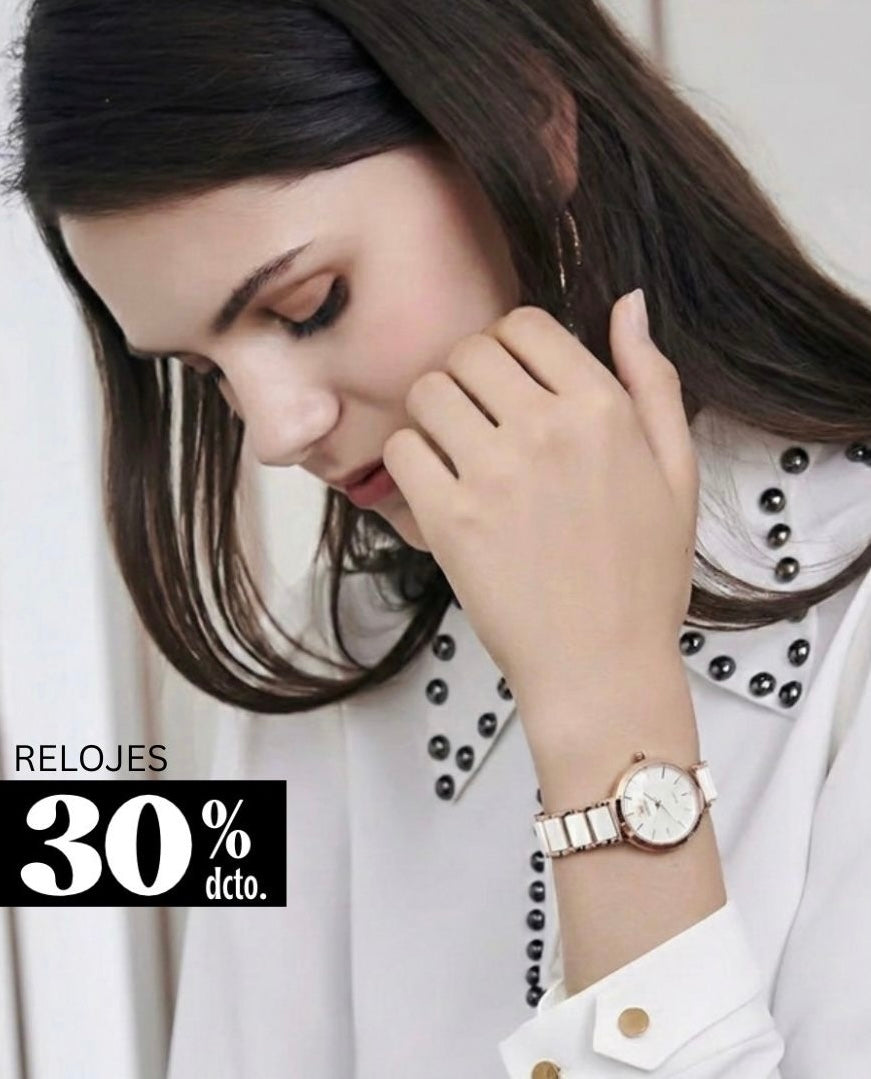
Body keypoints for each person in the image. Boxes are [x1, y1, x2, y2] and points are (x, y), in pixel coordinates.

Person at [3, 2, 871, 1075]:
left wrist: (607, 714)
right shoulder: (332, 654)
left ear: (528, 129)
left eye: (309, 305)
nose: (275, 433)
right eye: (205, 371)